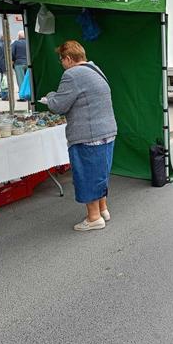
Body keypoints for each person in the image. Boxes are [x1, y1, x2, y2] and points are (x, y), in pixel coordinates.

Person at [41, 41, 118, 231]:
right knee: (100, 173)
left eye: (61, 59)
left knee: (87, 175)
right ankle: (103, 209)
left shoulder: (72, 74)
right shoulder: (95, 68)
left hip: (88, 134)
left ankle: (93, 218)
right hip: (107, 130)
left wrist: (49, 96)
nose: (61, 64)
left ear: (68, 58)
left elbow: (58, 105)